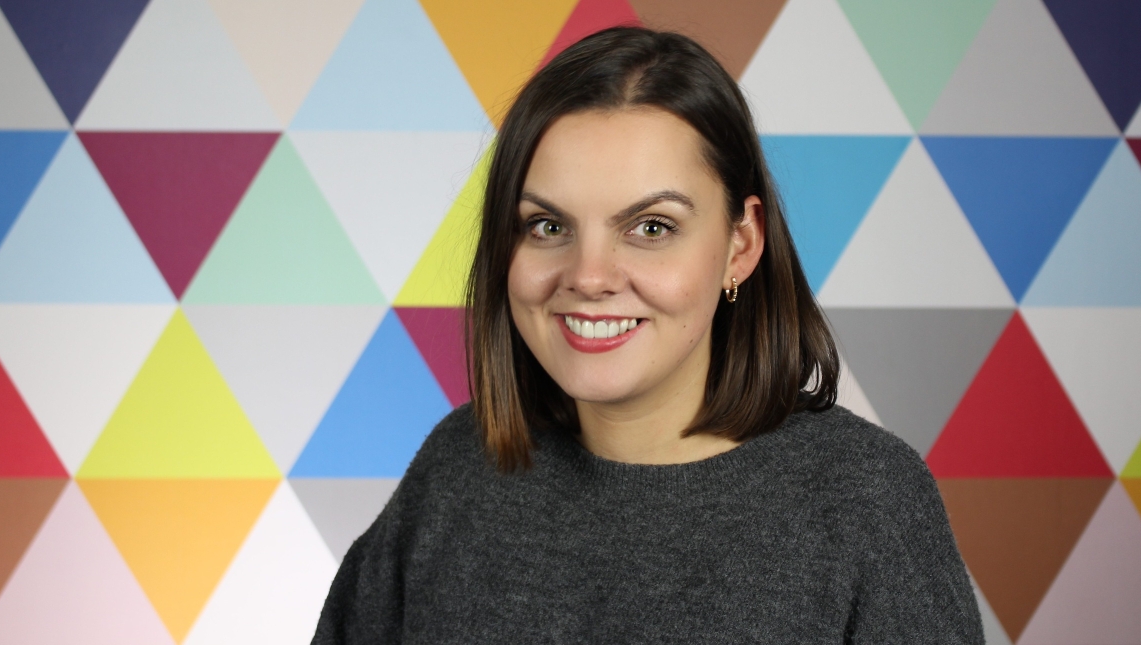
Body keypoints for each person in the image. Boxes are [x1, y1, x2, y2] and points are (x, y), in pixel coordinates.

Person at [311, 26, 983, 644]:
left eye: (651, 227)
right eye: (548, 225)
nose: (590, 275)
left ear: (740, 245)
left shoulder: (865, 502)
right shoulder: (457, 470)